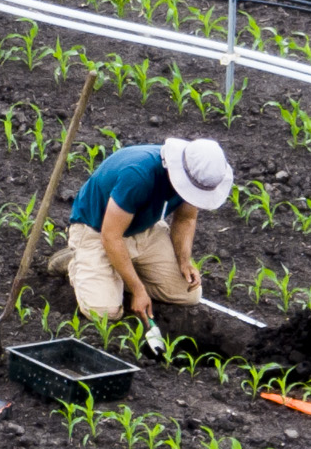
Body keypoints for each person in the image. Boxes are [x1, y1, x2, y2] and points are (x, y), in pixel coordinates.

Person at [65, 135, 231, 321]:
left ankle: (114, 274)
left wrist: (184, 261)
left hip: (144, 229)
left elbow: (186, 219)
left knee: (188, 294)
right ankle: (78, 262)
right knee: (105, 312)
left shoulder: (194, 175)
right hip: (97, 230)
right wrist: (138, 290)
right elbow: (111, 236)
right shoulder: (138, 174)